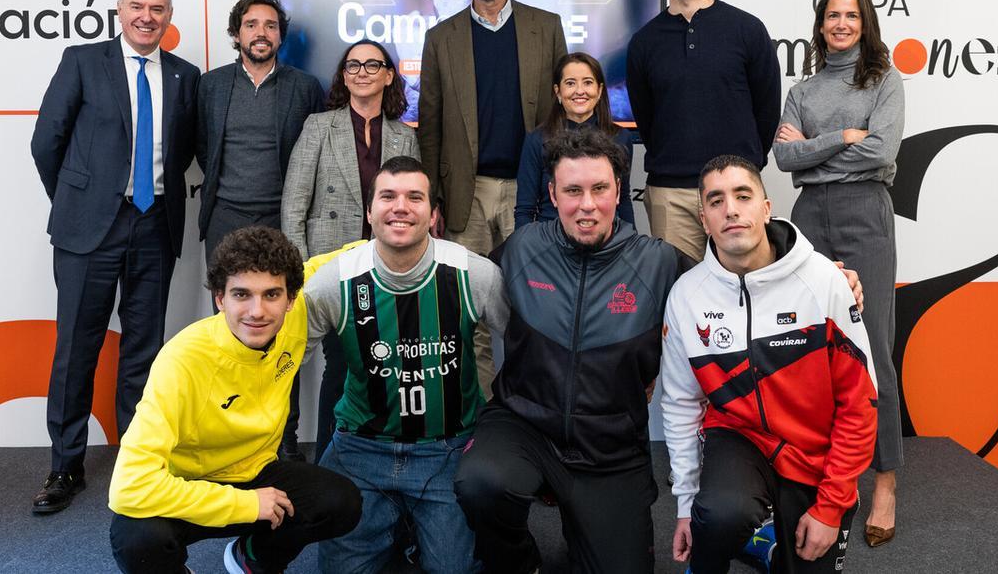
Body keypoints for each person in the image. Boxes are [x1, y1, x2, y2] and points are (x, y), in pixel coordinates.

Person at [455, 127, 693, 573]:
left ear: (619, 190)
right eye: (572, 190)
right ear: (552, 193)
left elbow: (733, 286)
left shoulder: (658, 261)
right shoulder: (523, 247)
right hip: (524, 423)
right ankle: (522, 561)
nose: (587, 205)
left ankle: (582, 523)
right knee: (480, 483)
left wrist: (823, 278)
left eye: (600, 189)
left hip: (610, 446)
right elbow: (448, 281)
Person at [30, 0, 200, 514]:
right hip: (89, 231)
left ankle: (137, 461)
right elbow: (46, 141)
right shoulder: (83, 60)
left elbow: (187, 150)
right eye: (137, 6)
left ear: (169, 16)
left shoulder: (184, 75)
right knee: (77, 349)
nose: (147, 16)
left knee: (144, 351)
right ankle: (65, 466)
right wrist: (78, 200)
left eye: (158, 8)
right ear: (119, 10)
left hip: (154, 224)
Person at [660, 155, 879, 573]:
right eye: (716, 200)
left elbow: (861, 403)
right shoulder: (687, 296)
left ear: (765, 208)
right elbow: (680, 404)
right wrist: (687, 505)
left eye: (743, 196)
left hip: (813, 449)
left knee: (806, 556)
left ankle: (766, 541)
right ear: (704, 219)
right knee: (719, 515)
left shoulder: (823, 280)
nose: (731, 209)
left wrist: (831, 506)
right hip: (739, 439)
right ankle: (717, 547)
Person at [108, 226, 361, 574]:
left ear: (291, 299)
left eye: (272, 295)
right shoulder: (182, 360)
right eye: (242, 294)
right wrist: (243, 504)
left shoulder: (295, 316)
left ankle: (253, 558)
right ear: (219, 298)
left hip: (257, 472)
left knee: (340, 502)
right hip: (189, 485)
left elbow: (352, 256)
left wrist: (420, 238)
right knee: (137, 538)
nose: (257, 311)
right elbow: (128, 487)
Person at [303, 156, 507, 573]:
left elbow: (528, 351)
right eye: (388, 196)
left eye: (415, 197)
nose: (400, 206)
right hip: (360, 450)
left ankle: (408, 529)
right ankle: (398, 528)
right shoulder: (333, 281)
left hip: (446, 450)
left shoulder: (474, 274)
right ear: (370, 211)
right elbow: (281, 363)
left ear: (433, 215)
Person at [773, 0, 905, 548]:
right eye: (833, 15)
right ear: (821, 25)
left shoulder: (884, 80)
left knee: (874, 349)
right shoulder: (802, 91)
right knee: (816, 348)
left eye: (851, 15)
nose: (842, 24)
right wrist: (843, 137)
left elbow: (882, 151)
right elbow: (783, 157)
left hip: (865, 213)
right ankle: (832, 478)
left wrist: (817, 149)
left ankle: (886, 484)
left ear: (864, 23)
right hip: (810, 218)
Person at [418, 0, 568, 394]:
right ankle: (480, 421)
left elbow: (563, 113)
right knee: (470, 313)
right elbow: (432, 125)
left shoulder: (546, 28)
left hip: (533, 193)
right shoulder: (442, 37)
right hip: (467, 194)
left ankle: (532, 413)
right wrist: (432, 199)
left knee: (538, 306)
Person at [281, 39, 419, 461]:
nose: (362, 71)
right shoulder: (319, 126)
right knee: (340, 366)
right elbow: (294, 203)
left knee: (385, 368)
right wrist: (300, 270)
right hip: (331, 266)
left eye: (372, 64)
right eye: (353, 65)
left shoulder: (403, 135)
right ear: (343, 75)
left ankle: (378, 456)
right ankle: (328, 460)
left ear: (389, 75)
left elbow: (410, 206)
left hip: (388, 267)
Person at [626, 0, 781, 263]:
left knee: (746, 287)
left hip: (735, 191)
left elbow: (767, 111)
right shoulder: (644, 43)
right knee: (677, 293)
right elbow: (647, 119)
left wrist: (742, 168)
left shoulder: (747, 30)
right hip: (671, 192)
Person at [196, 0, 324, 264]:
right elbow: (203, 147)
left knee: (282, 302)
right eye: (251, 25)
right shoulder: (211, 85)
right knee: (227, 303)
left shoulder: (305, 88)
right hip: (224, 218)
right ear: (236, 34)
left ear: (280, 36)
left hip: (282, 218)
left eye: (271, 26)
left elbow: (317, 156)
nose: (261, 33)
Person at [514, 52, 635, 227]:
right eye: (570, 83)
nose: (580, 91)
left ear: (599, 90)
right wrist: (524, 250)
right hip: (550, 242)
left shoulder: (620, 138)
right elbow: (525, 209)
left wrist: (631, 246)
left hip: (605, 243)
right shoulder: (537, 140)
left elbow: (622, 200)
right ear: (558, 92)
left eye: (588, 82)